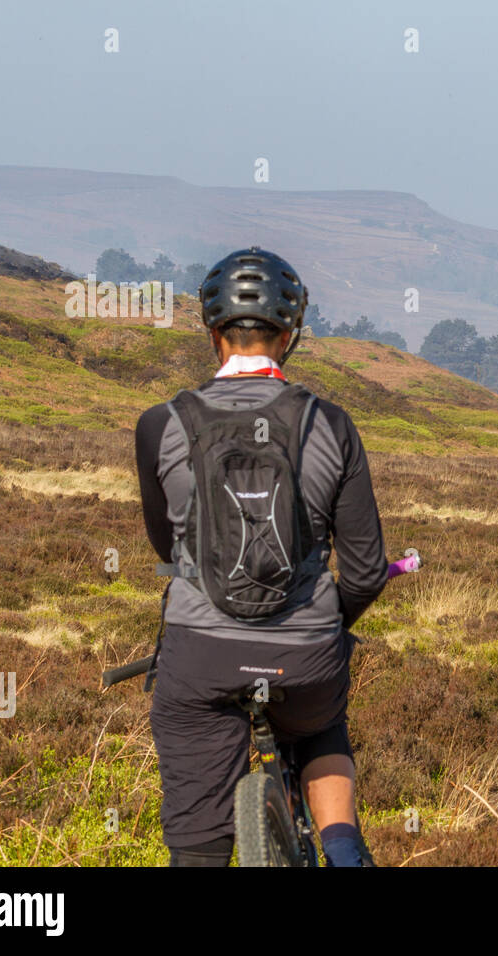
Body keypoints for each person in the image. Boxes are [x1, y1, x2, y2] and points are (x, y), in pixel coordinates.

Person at [134, 247, 389, 867]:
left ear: (213, 332)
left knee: (196, 847)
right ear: (291, 334)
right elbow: (365, 570)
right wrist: (327, 623)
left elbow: (167, 547)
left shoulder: (160, 425)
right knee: (319, 726)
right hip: (304, 654)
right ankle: (345, 852)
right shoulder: (331, 425)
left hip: (200, 654)